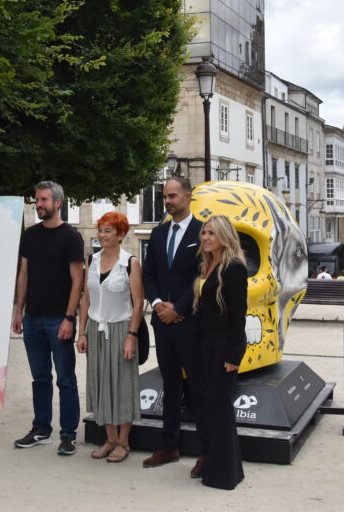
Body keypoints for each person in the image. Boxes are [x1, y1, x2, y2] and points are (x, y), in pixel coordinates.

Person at [11, 181, 85, 456]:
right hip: (32, 319)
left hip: (59, 320)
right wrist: (19, 310)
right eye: (36, 200)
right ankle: (41, 429)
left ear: (58, 203)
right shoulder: (30, 235)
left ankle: (68, 434)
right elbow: (24, 274)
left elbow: (77, 280)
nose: (38, 204)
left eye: (43, 200)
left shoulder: (71, 237)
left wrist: (69, 317)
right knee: (39, 377)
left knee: (65, 379)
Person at [141, 177, 207, 475]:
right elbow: (149, 274)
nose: (167, 201)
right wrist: (157, 305)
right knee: (169, 384)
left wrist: (178, 308)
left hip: (190, 322)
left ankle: (206, 452)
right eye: (164, 196)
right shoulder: (157, 234)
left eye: (172, 196)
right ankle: (169, 446)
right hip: (162, 322)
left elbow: (203, 276)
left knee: (197, 385)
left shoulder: (203, 232)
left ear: (188, 197)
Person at [76, 212, 144, 463]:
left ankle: (123, 442)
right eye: (100, 230)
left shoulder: (130, 262)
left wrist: (131, 336)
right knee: (100, 383)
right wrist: (81, 332)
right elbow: (86, 298)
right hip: (96, 329)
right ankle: (110, 439)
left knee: (122, 385)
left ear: (121, 235)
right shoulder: (92, 260)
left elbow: (138, 303)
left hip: (120, 328)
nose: (101, 235)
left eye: (107, 231)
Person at [193, 215, 248, 490]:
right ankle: (220, 467)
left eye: (211, 233)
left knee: (221, 407)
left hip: (225, 345)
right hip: (207, 344)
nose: (205, 237)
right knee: (212, 407)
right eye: (204, 232)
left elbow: (239, 315)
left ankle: (226, 474)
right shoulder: (207, 264)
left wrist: (233, 356)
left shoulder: (234, 267)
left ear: (224, 236)